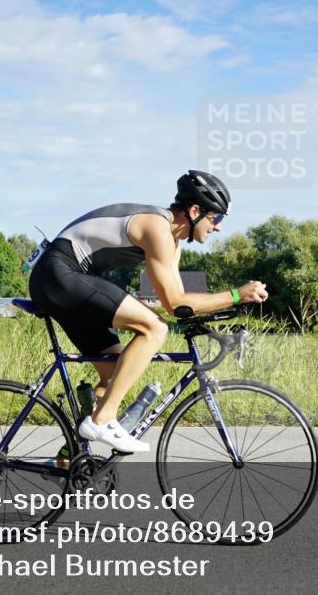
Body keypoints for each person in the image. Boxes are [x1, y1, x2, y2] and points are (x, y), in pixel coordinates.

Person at [28, 170, 268, 453]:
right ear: (195, 211)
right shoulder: (157, 228)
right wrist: (236, 295)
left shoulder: (172, 243)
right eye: (216, 218)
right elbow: (173, 303)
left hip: (67, 281)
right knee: (154, 328)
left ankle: (72, 457)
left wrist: (224, 310)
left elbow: (181, 306)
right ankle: (102, 421)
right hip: (59, 274)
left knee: (114, 375)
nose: (218, 228)